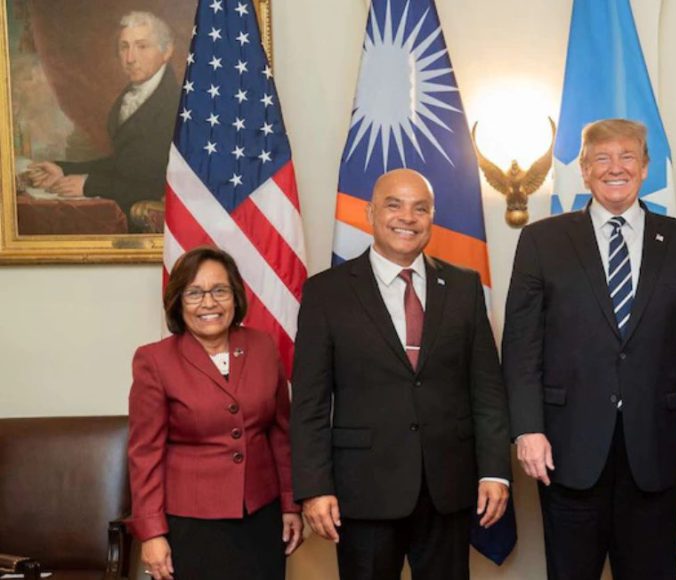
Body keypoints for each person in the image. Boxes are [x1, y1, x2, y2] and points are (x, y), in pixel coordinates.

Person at [502, 118, 676, 580]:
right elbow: (521, 348)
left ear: (645, 168)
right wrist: (527, 428)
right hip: (565, 448)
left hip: (655, 447)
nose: (615, 168)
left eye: (627, 156)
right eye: (601, 159)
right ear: (584, 171)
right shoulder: (543, 241)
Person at [290, 169, 511, 580]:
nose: (407, 217)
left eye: (420, 208)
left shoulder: (464, 287)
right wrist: (314, 487)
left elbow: (487, 390)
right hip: (363, 491)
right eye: (394, 205)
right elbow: (309, 403)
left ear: (432, 218)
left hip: (448, 487)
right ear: (371, 213)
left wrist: (495, 470)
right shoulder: (327, 293)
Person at [127, 247, 303, 580]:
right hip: (191, 524)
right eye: (194, 293)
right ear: (178, 301)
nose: (209, 303)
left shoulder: (263, 346)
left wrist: (290, 503)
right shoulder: (154, 360)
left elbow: (281, 433)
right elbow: (145, 453)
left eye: (219, 290)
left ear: (235, 296)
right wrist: (152, 532)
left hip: (261, 518)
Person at [25, 11, 179, 226]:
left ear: (167, 51)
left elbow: (153, 183)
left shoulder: (175, 105)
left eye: (142, 46)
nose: (130, 58)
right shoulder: (128, 97)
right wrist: (64, 169)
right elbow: (125, 164)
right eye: (124, 47)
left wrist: (89, 185)